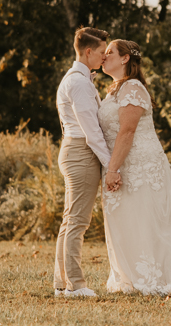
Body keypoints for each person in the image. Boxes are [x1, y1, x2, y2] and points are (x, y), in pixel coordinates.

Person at [99, 39, 171, 295]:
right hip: (122, 162)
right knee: (128, 219)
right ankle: (131, 275)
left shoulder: (133, 88)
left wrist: (113, 169)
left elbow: (127, 131)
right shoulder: (114, 90)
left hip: (139, 164)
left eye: (109, 53)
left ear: (125, 58)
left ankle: (153, 277)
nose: (104, 57)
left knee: (145, 219)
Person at [54, 27, 118, 298]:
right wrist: (110, 166)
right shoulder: (78, 83)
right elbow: (92, 131)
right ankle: (75, 285)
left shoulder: (81, 80)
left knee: (71, 220)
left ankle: (61, 284)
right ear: (89, 52)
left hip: (77, 149)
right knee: (78, 221)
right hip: (81, 151)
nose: (104, 57)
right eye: (102, 52)